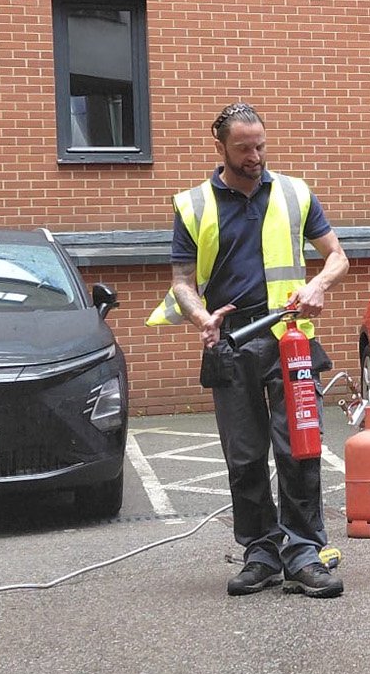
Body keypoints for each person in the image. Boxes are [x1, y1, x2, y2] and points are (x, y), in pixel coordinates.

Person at [148, 102, 350, 599]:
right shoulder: (194, 205)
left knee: (299, 448)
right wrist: (201, 317)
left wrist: (319, 284)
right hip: (231, 342)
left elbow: (337, 256)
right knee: (243, 456)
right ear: (220, 146)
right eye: (243, 148)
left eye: (260, 145)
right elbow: (181, 281)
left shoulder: (295, 193)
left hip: (291, 339)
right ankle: (261, 553)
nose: (255, 156)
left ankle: (304, 553)